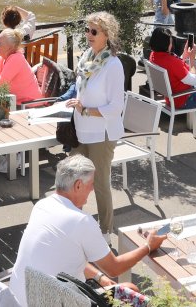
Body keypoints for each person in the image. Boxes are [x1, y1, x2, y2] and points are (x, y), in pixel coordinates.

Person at [6, 154, 167, 307]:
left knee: (128, 289)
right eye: (91, 184)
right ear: (78, 185)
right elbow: (114, 268)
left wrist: (99, 277)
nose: (92, 190)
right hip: (57, 301)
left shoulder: (42, 206)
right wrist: (148, 246)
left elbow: (63, 256)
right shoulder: (81, 221)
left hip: (18, 300)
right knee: (134, 295)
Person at [69, 12, 127, 233]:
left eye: (94, 31)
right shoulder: (86, 58)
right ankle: (74, 229)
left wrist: (85, 109)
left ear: (107, 35)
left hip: (101, 134)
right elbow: (80, 90)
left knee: (100, 185)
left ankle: (106, 233)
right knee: (72, 181)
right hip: (80, 130)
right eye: (87, 30)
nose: (89, 34)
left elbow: (115, 108)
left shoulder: (113, 65)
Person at [145, 28, 196, 135]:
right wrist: (192, 59)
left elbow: (176, 67)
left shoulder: (154, 56)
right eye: (170, 42)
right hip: (185, 98)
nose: (171, 44)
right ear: (165, 44)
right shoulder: (171, 62)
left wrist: (185, 53)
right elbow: (193, 80)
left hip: (172, 97)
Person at [0, 28, 42, 104]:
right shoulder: (3, 57)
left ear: (10, 47)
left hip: (30, 105)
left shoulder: (16, 58)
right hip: (15, 102)